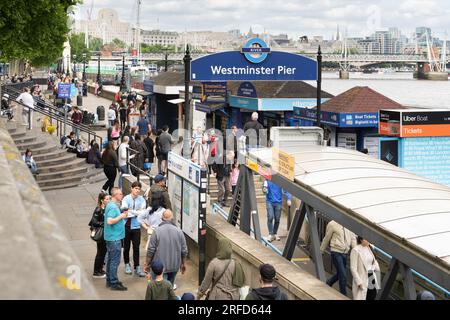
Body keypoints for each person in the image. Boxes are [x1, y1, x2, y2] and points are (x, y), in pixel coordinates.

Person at [145, 209, 188, 289]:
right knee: (169, 287)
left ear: (162, 218)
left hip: (160, 267)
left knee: (159, 289)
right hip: (174, 265)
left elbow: (151, 250)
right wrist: (183, 263)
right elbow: (184, 250)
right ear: (172, 218)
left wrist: (147, 263)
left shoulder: (157, 231)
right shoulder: (179, 232)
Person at [320, 220, 357, 296]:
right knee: (343, 275)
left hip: (345, 253)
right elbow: (327, 238)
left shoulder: (350, 224)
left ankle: (328, 283)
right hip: (336, 252)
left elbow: (353, 240)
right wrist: (321, 251)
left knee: (340, 273)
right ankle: (343, 296)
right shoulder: (333, 224)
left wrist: (357, 253)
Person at [104, 187, 128, 291]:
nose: (122, 196)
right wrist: (122, 216)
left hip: (111, 237)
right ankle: (113, 282)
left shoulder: (110, 205)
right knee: (114, 260)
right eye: (120, 194)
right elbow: (109, 221)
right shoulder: (113, 207)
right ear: (115, 195)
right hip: (114, 238)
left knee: (110, 259)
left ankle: (110, 280)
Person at [121, 181, 147, 277]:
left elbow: (143, 213)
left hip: (136, 227)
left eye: (139, 189)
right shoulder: (126, 199)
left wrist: (131, 212)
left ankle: (137, 266)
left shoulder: (142, 199)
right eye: (135, 188)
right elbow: (125, 212)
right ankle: (127, 264)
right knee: (126, 247)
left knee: (136, 248)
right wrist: (137, 212)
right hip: (126, 226)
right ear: (131, 188)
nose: (137, 190)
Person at [350, 236, 380, 300]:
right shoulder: (355, 250)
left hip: (371, 277)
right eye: (366, 239)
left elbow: (374, 262)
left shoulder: (370, 248)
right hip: (362, 278)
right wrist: (359, 282)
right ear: (361, 240)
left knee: (372, 296)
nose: (368, 241)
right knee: (363, 297)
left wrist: (377, 270)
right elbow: (353, 268)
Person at [88, 193, 110, 278]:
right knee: (100, 253)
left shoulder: (106, 208)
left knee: (103, 252)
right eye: (107, 199)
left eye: (109, 199)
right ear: (102, 200)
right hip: (101, 234)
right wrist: (104, 223)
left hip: (105, 234)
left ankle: (100, 269)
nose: (108, 200)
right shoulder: (98, 209)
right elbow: (94, 222)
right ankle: (96, 272)